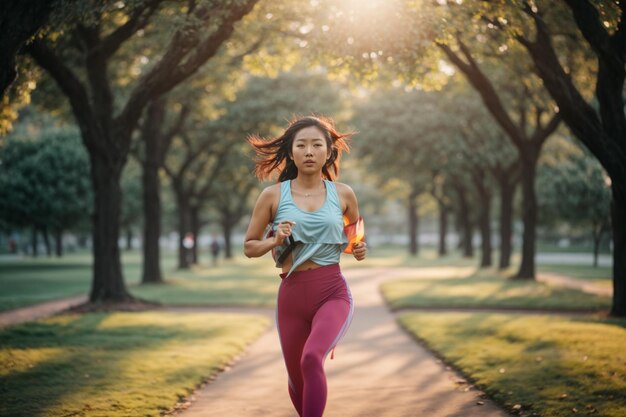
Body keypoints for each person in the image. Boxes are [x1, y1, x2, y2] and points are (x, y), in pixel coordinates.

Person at [243, 116, 367, 417]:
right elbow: (249, 246)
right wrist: (275, 241)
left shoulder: (345, 194)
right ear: (291, 152)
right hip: (292, 295)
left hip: (332, 292)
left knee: (311, 358)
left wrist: (359, 248)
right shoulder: (272, 196)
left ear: (328, 152)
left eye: (316, 145)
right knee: (297, 380)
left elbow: (354, 239)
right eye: (301, 145)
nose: (309, 151)